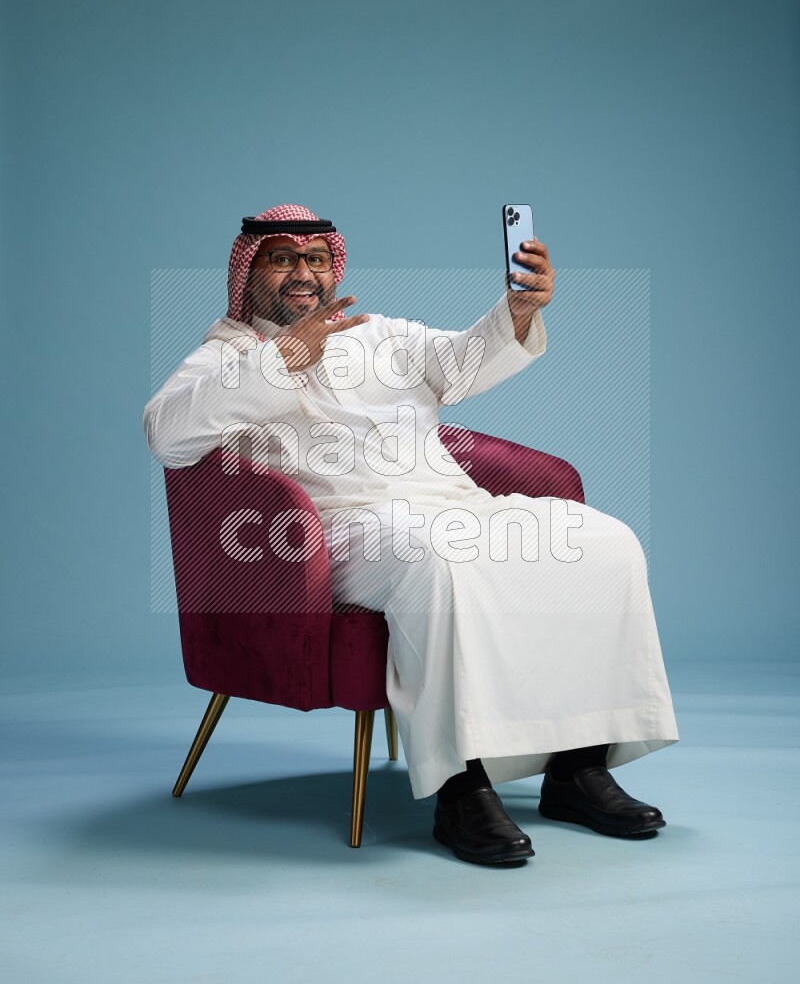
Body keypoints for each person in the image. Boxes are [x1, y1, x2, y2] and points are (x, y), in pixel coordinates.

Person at [143, 203, 680, 866]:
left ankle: (578, 768)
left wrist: (517, 311)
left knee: (602, 544)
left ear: (333, 265)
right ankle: (461, 788)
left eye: (314, 258)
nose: (302, 273)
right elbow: (166, 433)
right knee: (438, 562)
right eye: (282, 259)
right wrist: (283, 357)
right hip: (336, 533)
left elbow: (459, 363)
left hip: (450, 504)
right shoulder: (226, 354)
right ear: (250, 271)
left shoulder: (380, 334)